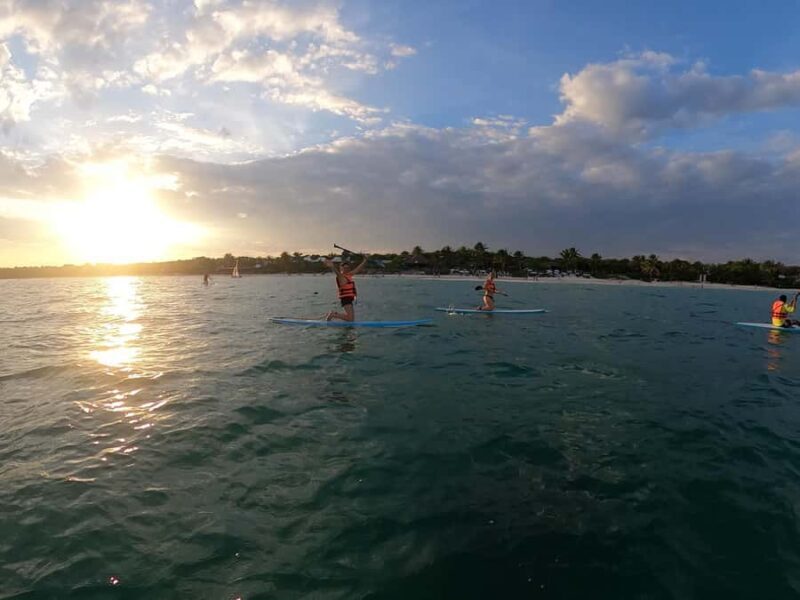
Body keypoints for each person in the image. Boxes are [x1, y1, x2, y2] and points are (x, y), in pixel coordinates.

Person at [325, 254, 368, 321]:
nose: (346, 269)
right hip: (345, 299)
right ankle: (333, 314)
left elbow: (358, 269)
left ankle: (335, 314)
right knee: (350, 318)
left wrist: (365, 261)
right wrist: (332, 267)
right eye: (344, 268)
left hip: (349, 299)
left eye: (347, 268)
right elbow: (337, 273)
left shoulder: (349, 275)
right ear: (341, 268)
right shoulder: (341, 277)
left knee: (350, 318)